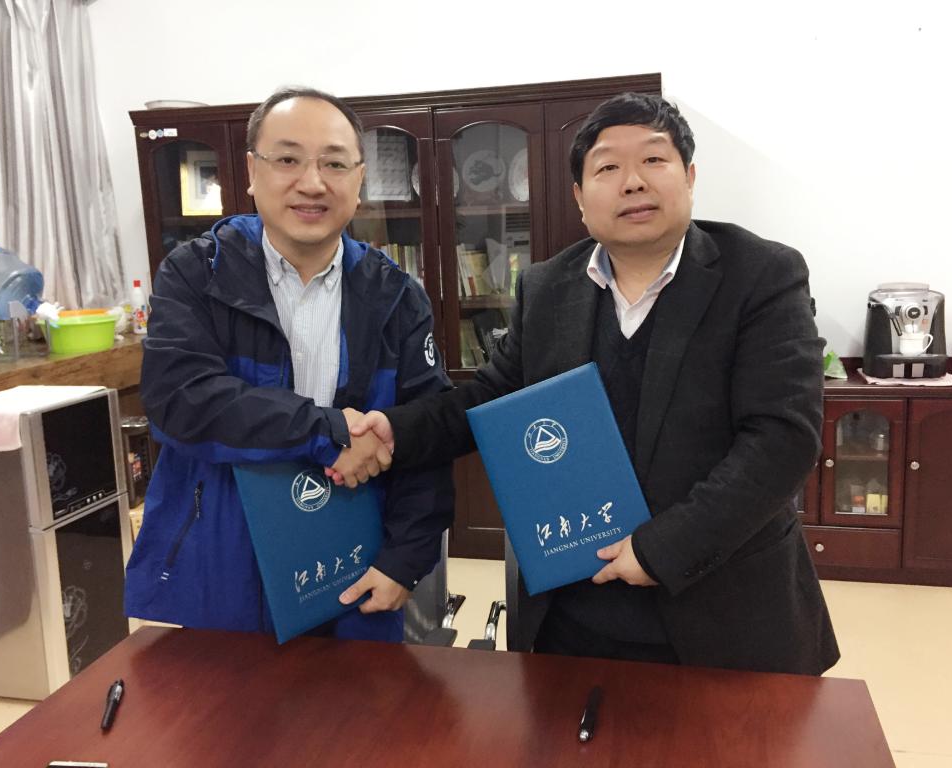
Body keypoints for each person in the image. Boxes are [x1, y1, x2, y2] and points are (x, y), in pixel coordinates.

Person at [340, 92, 839, 673]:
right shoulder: (548, 286)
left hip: (722, 614)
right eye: (607, 167)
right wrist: (395, 429)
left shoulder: (761, 275)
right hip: (573, 611)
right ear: (579, 197)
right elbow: (490, 399)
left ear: (689, 176)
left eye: (653, 160)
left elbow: (781, 440)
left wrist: (659, 550)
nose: (633, 181)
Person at [124, 87, 453, 642]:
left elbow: (428, 431)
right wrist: (327, 431)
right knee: (220, 698)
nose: (312, 182)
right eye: (288, 159)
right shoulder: (197, 274)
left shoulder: (395, 295)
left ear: (359, 178)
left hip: (354, 565)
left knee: (359, 699)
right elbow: (182, 401)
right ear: (252, 172)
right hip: (223, 565)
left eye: (334, 163)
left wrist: (406, 559)